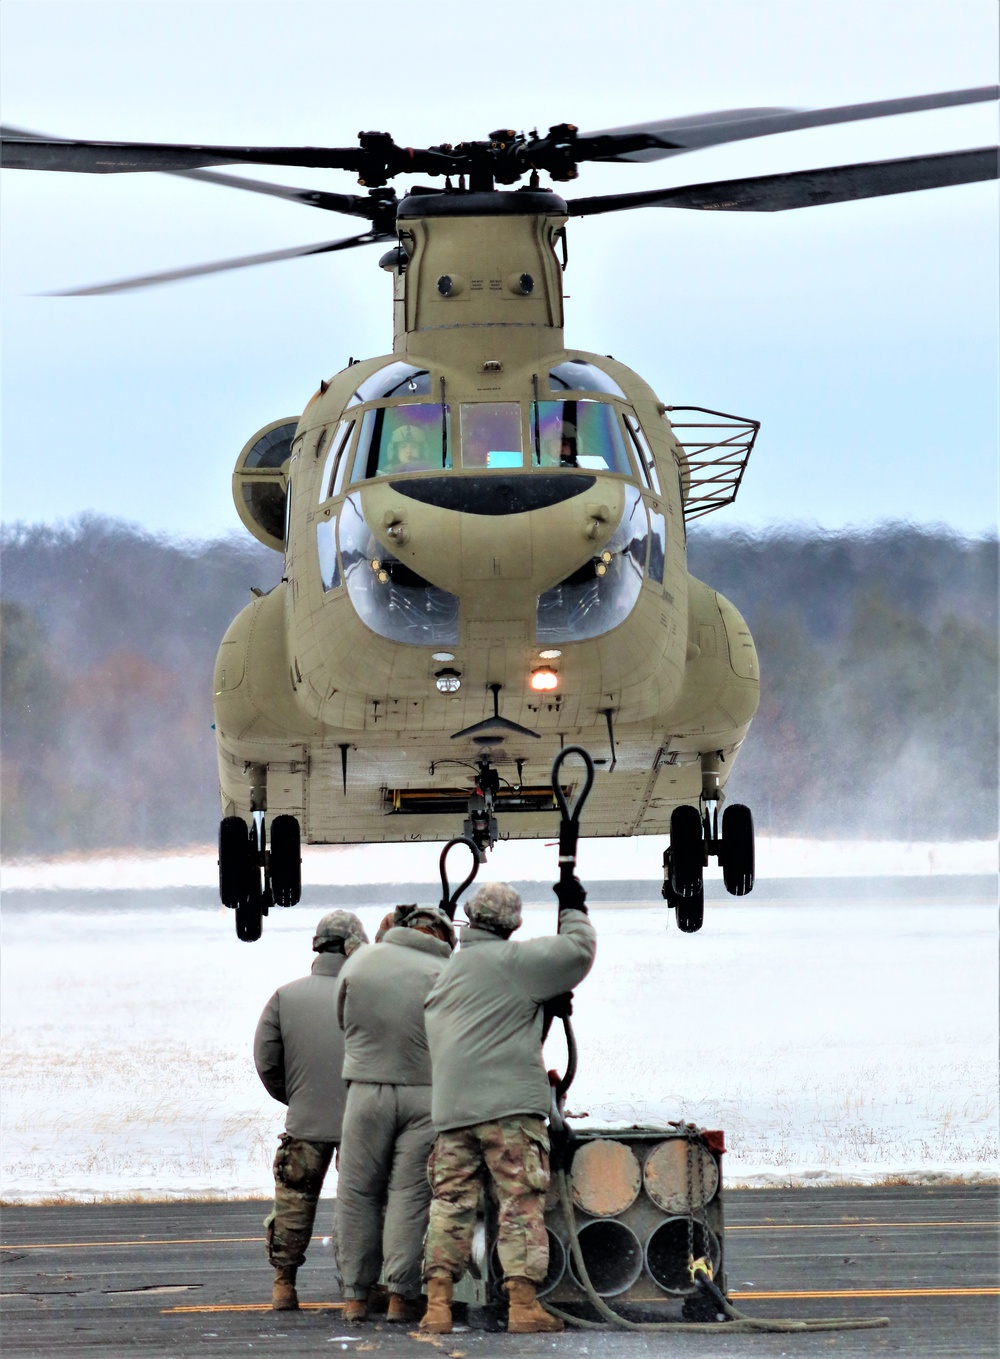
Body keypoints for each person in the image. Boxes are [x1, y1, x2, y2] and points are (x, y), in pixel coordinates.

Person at [420, 880, 596, 1335]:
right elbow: (577, 952)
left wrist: (535, 1010)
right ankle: (523, 1306)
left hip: (453, 1112)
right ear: (513, 923)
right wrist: (574, 906)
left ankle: (437, 1305)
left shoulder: (448, 975)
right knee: (519, 1204)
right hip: (509, 1111)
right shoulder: (516, 963)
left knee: (450, 1205)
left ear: (471, 919)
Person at [334, 904, 456, 1324]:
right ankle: (400, 1297)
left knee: (357, 1191)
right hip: (426, 1094)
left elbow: (341, 1017)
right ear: (441, 936)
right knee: (410, 1195)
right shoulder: (447, 973)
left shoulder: (363, 958)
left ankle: (354, 1296)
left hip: (366, 1092)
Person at [253, 910, 369, 1310]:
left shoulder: (286, 996)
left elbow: (267, 1062)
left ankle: (284, 1285)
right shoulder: (369, 994)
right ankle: (362, 1292)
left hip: (305, 1120)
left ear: (317, 947)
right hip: (365, 1121)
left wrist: (297, 1096)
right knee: (364, 1204)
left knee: (293, 1205)